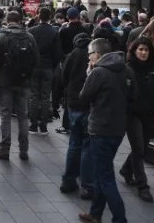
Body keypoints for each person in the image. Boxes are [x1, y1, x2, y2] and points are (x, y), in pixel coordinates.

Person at [78, 38, 134, 223]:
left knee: (105, 178)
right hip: (117, 129)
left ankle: (120, 218)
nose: (89, 58)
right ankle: (95, 213)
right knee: (102, 172)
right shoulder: (126, 70)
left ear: (97, 54)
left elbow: (83, 97)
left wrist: (88, 75)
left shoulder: (98, 72)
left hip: (100, 129)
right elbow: (134, 97)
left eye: (89, 54)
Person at [0, 11, 39, 161]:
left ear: (6, 20)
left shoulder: (1, 36)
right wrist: (29, 76)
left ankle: (5, 149)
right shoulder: (29, 37)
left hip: (5, 82)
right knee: (23, 115)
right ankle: (24, 150)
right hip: (24, 82)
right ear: (20, 21)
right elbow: (36, 60)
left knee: (5, 115)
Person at [119, 37, 154, 203]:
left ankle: (126, 169)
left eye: (146, 50)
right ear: (134, 51)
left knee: (143, 148)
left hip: (150, 114)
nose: (143, 53)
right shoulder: (128, 69)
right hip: (133, 115)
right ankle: (143, 186)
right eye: (140, 50)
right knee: (139, 149)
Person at [60, 33, 93, 200]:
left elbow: (64, 76)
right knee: (87, 146)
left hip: (74, 102)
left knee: (74, 143)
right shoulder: (93, 54)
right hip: (89, 104)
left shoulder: (73, 54)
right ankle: (87, 186)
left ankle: (68, 180)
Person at [28, 8, 62, 135]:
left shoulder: (31, 31)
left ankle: (33, 124)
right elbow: (58, 53)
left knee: (33, 96)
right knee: (46, 96)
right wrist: (52, 65)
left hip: (34, 67)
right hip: (48, 67)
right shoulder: (54, 32)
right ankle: (43, 125)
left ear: (38, 16)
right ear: (50, 17)